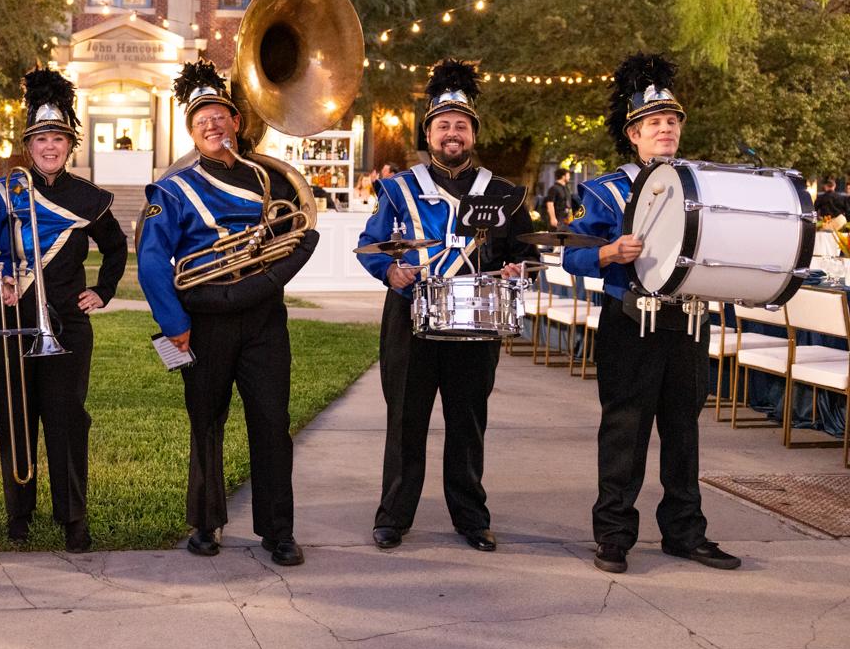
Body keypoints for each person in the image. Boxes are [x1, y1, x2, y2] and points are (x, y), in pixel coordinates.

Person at [563, 53, 740, 575]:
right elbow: (572, 251)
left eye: (672, 121)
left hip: (686, 324)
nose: (665, 129)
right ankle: (614, 534)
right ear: (633, 135)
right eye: (653, 122)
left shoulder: (701, 187)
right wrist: (608, 253)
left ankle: (685, 533)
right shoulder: (606, 189)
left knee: (684, 432)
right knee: (625, 431)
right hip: (630, 323)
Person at [136, 61, 318, 567]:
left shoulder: (270, 180)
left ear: (236, 121)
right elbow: (152, 261)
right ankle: (206, 523)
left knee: (271, 422)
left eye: (218, 115)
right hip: (204, 321)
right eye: (200, 121)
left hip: (263, 320)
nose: (211, 125)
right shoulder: (173, 188)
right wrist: (176, 326)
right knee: (206, 422)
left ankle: (278, 531)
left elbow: (293, 238)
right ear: (191, 132)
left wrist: (262, 280)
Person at [356, 61, 538, 553]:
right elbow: (371, 245)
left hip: (477, 323)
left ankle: (471, 517)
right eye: (443, 125)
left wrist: (517, 270)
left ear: (473, 134)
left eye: (461, 125)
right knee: (405, 421)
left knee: (468, 422)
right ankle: (393, 516)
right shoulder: (396, 188)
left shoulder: (503, 194)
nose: (452, 133)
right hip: (409, 321)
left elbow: (527, 252)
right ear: (429, 133)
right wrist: (390, 272)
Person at [0, 68, 128, 552]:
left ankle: (72, 516)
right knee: (15, 415)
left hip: (67, 322)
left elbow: (117, 247)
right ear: (28, 145)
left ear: (70, 144)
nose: (49, 147)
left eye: (58, 139)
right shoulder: (1, 191)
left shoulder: (88, 198)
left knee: (66, 416)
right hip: (6, 317)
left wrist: (104, 289)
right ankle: (20, 513)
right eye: (41, 139)